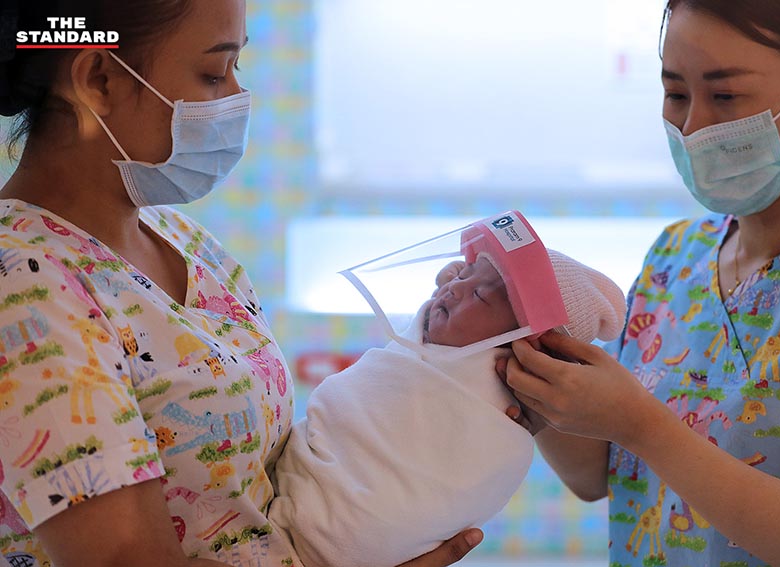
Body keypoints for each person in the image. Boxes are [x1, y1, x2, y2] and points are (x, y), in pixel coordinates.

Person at [0, 1, 486, 566]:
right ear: (99, 80)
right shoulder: (24, 283)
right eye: (213, 73)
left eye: (237, 68)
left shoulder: (185, 242)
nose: (236, 96)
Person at [501, 1, 780, 566]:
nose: (692, 129)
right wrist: (517, 335)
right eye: (676, 94)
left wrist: (643, 425)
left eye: (726, 96)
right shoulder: (674, 256)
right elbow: (596, 475)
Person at [268, 250, 626, 567]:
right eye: (463, 273)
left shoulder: (500, 392)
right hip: (311, 485)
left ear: (524, 344)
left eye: (480, 295)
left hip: (363, 526)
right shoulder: (426, 346)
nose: (453, 288)